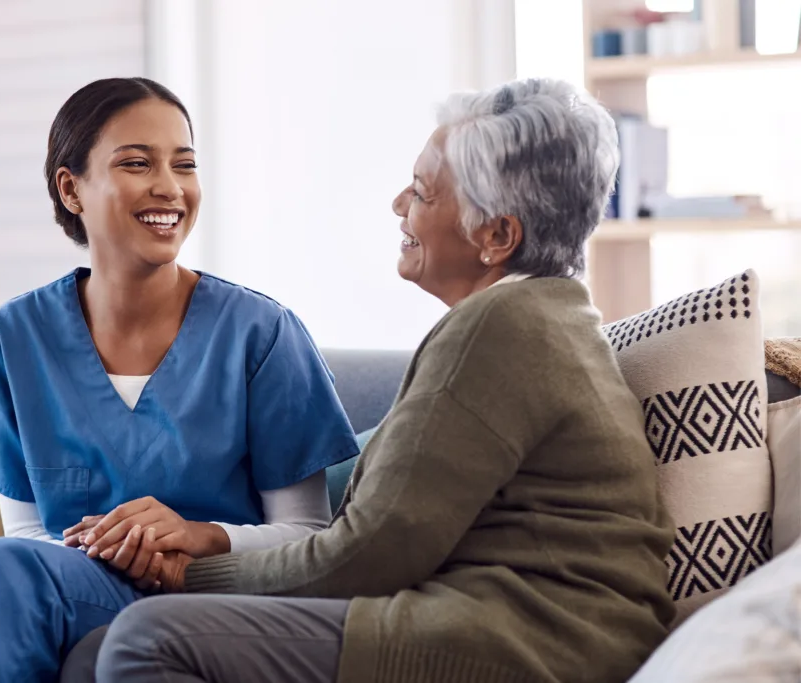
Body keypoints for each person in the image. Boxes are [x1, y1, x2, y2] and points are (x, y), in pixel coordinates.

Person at [92, 78, 677, 683]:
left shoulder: (499, 331)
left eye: (423, 192)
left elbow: (368, 554)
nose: (399, 204)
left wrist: (188, 575)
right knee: (96, 651)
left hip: (530, 636)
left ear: (497, 236)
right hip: (518, 624)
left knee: (147, 637)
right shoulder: (542, 317)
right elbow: (389, 505)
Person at [0, 77, 359, 683]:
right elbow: (29, 535)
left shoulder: (261, 332)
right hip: (58, 582)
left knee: (8, 568)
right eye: (137, 163)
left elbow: (308, 536)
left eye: (184, 164)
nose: (169, 186)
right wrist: (104, 547)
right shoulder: (14, 336)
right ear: (71, 188)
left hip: (200, 598)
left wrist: (198, 536)